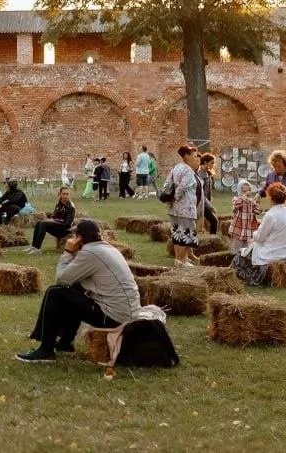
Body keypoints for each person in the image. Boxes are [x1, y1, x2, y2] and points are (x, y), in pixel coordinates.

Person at [16, 219, 142, 363]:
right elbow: (75, 280)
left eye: (74, 236)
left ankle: (46, 350)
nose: (71, 239)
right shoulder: (106, 248)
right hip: (125, 313)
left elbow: (62, 279)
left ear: (80, 238)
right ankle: (65, 343)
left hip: (115, 318)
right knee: (73, 290)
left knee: (55, 292)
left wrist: (68, 252)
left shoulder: (90, 253)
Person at [232, 182, 286, 286]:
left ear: (270, 198)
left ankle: (242, 278)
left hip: (276, 252)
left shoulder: (271, 215)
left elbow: (259, 238)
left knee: (240, 254)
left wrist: (254, 236)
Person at [165, 145, 200, 266]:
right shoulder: (187, 170)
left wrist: (171, 198)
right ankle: (182, 260)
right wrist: (176, 197)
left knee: (176, 232)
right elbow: (183, 186)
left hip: (174, 207)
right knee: (185, 232)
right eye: (194, 156)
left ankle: (178, 259)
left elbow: (167, 184)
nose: (196, 158)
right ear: (186, 156)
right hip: (185, 206)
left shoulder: (175, 168)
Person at [25, 186, 76, 254]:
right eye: (63, 194)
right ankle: (33, 246)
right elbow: (54, 216)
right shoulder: (59, 204)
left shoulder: (70, 207)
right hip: (58, 226)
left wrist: (55, 221)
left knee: (44, 224)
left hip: (65, 230)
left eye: (67, 194)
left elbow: (68, 224)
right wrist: (52, 219)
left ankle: (37, 248)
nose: (65, 196)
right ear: (59, 194)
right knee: (39, 223)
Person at [228, 177, 261, 254]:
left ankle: (245, 260)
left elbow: (258, 211)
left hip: (249, 227)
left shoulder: (251, 201)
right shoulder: (237, 199)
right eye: (244, 191)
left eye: (249, 190)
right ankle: (236, 259)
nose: (247, 193)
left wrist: (257, 204)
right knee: (238, 246)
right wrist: (243, 198)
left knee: (248, 247)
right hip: (239, 227)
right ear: (240, 191)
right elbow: (236, 205)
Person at [196, 153, 218, 234]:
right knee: (214, 221)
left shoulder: (207, 173)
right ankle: (212, 241)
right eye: (211, 163)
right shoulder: (200, 175)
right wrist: (210, 207)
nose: (213, 165)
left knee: (210, 222)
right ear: (205, 163)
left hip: (205, 203)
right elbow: (201, 195)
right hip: (200, 204)